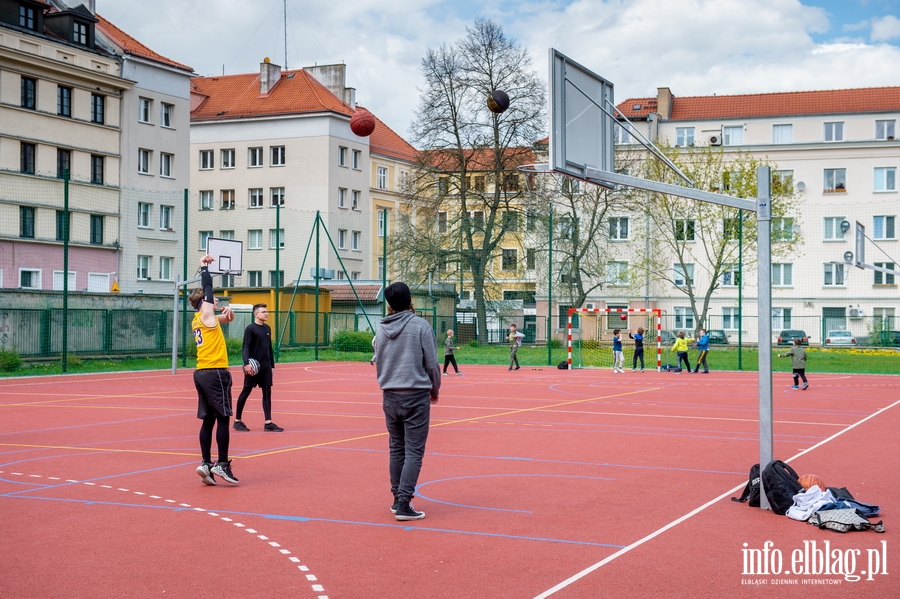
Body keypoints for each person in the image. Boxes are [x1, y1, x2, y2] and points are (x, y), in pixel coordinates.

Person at [374, 282, 441, 521]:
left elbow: (377, 355)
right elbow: (432, 363)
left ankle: (396, 499)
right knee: (413, 451)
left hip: (390, 395)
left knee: (396, 449)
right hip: (414, 395)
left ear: (389, 304)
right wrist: (435, 388)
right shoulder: (421, 326)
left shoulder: (381, 328)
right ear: (410, 300)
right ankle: (403, 502)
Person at [189, 254, 239, 485]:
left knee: (207, 420)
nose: (215, 300)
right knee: (224, 419)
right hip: (216, 372)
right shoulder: (207, 313)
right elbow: (207, 287)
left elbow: (226, 319)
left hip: (201, 373)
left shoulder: (200, 319)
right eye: (213, 300)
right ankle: (222, 464)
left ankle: (206, 464)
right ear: (204, 303)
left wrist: (228, 314)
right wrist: (204, 267)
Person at [233, 303, 283, 432]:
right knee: (246, 391)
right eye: (263, 312)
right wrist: (246, 363)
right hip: (253, 366)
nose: (266, 314)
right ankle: (237, 421)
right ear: (256, 314)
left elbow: (268, 348)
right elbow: (246, 347)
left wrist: (271, 365)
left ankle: (268, 423)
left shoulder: (267, 328)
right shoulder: (250, 329)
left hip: (265, 367)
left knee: (267, 393)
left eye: (267, 312)